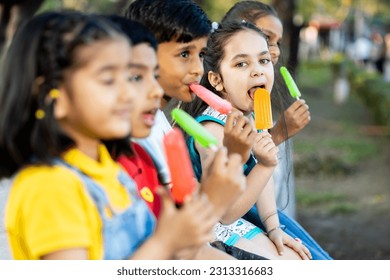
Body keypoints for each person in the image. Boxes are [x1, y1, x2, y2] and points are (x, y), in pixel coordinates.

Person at [0, 11, 218, 260]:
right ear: (52, 94)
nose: (128, 94)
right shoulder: (50, 187)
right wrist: (164, 243)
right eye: (108, 80)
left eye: (128, 77)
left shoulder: (109, 169)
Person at [185, 20, 311, 260]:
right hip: (211, 232)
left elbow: (259, 179)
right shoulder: (213, 131)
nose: (257, 71)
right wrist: (265, 165)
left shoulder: (249, 116)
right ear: (217, 80)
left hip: (238, 220)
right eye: (242, 63)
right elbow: (226, 213)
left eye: (263, 61)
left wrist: (273, 227)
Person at [219, 1, 332, 260]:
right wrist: (280, 132)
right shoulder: (217, 119)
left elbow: (261, 153)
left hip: (263, 205)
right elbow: (254, 159)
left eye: (275, 43)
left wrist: (274, 226)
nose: (273, 50)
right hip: (238, 215)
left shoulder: (247, 99)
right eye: (266, 37)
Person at [124, 0, 244, 224]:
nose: (198, 69)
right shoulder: (136, 135)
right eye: (184, 54)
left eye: (201, 55)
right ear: (142, 54)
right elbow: (192, 216)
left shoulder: (158, 121)